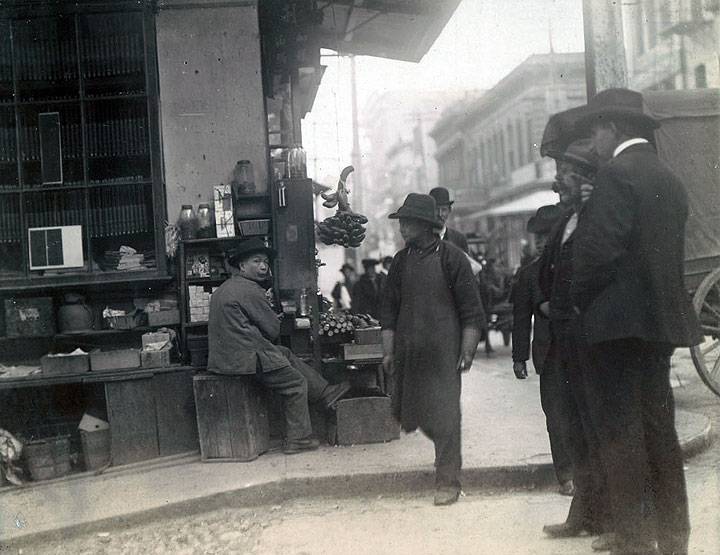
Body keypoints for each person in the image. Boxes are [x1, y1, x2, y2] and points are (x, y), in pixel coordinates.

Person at [571, 88, 702, 555]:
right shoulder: (668, 177)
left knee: (621, 437)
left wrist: (576, 300)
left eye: (595, 132)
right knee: (660, 432)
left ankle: (633, 539)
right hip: (659, 326)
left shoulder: (615, 177)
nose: (592, 143)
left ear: (613, 128)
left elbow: (596, 255)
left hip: (615, 328)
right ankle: (674, 538)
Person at [381, 193, 484, 506]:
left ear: (425, 225)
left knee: (447, 415)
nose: (402, 228)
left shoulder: (452, 258)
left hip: (443, 353)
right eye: (402, 222)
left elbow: (471, 310)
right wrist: (388, 351)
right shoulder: (400, 262)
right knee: (410, 412)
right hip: (411, 353)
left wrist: (467, 350)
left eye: (408, 222)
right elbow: (388, 310)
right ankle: (444, 458)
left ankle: (448, 481)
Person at [207, 237, 351, 454]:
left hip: (227, 358)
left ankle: (326, 392)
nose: (263, 266)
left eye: (265, 261)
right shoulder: (249, 289)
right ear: (242, 265)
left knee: (284, 353)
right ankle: (298, 439)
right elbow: (272, 330)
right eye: (256, 261)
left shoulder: (224, 289)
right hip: (245, 360)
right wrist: (274, 315)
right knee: (296, 384)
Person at [538, 138, 612, 545]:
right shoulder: (566, 219)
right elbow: (545, 271)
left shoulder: (594, 217)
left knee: (596, 427)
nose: (556, 181)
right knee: (575, 428)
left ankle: (610, 517)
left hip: (590, 337)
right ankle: (584, 513)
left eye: (562, 173)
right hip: (566, 337)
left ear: (583, 179)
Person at [510, 204, 574, 496]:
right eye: (536, 237)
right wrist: (519, 357)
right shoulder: (528, 274)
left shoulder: (573, 265)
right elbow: (521, 318)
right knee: (556, 416)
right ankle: (566, 475)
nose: (539, 242)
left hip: (578, 349)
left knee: (580, 412)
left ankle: (586, 472)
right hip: (549, 354)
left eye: (545, 236)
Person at [428, 187, 469, 253]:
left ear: (449, 210)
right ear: (429, 211)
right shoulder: (421, 239)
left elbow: (466, 262)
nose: (440, 214)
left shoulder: (459, 239)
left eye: (444, 210)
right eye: (436, 209)